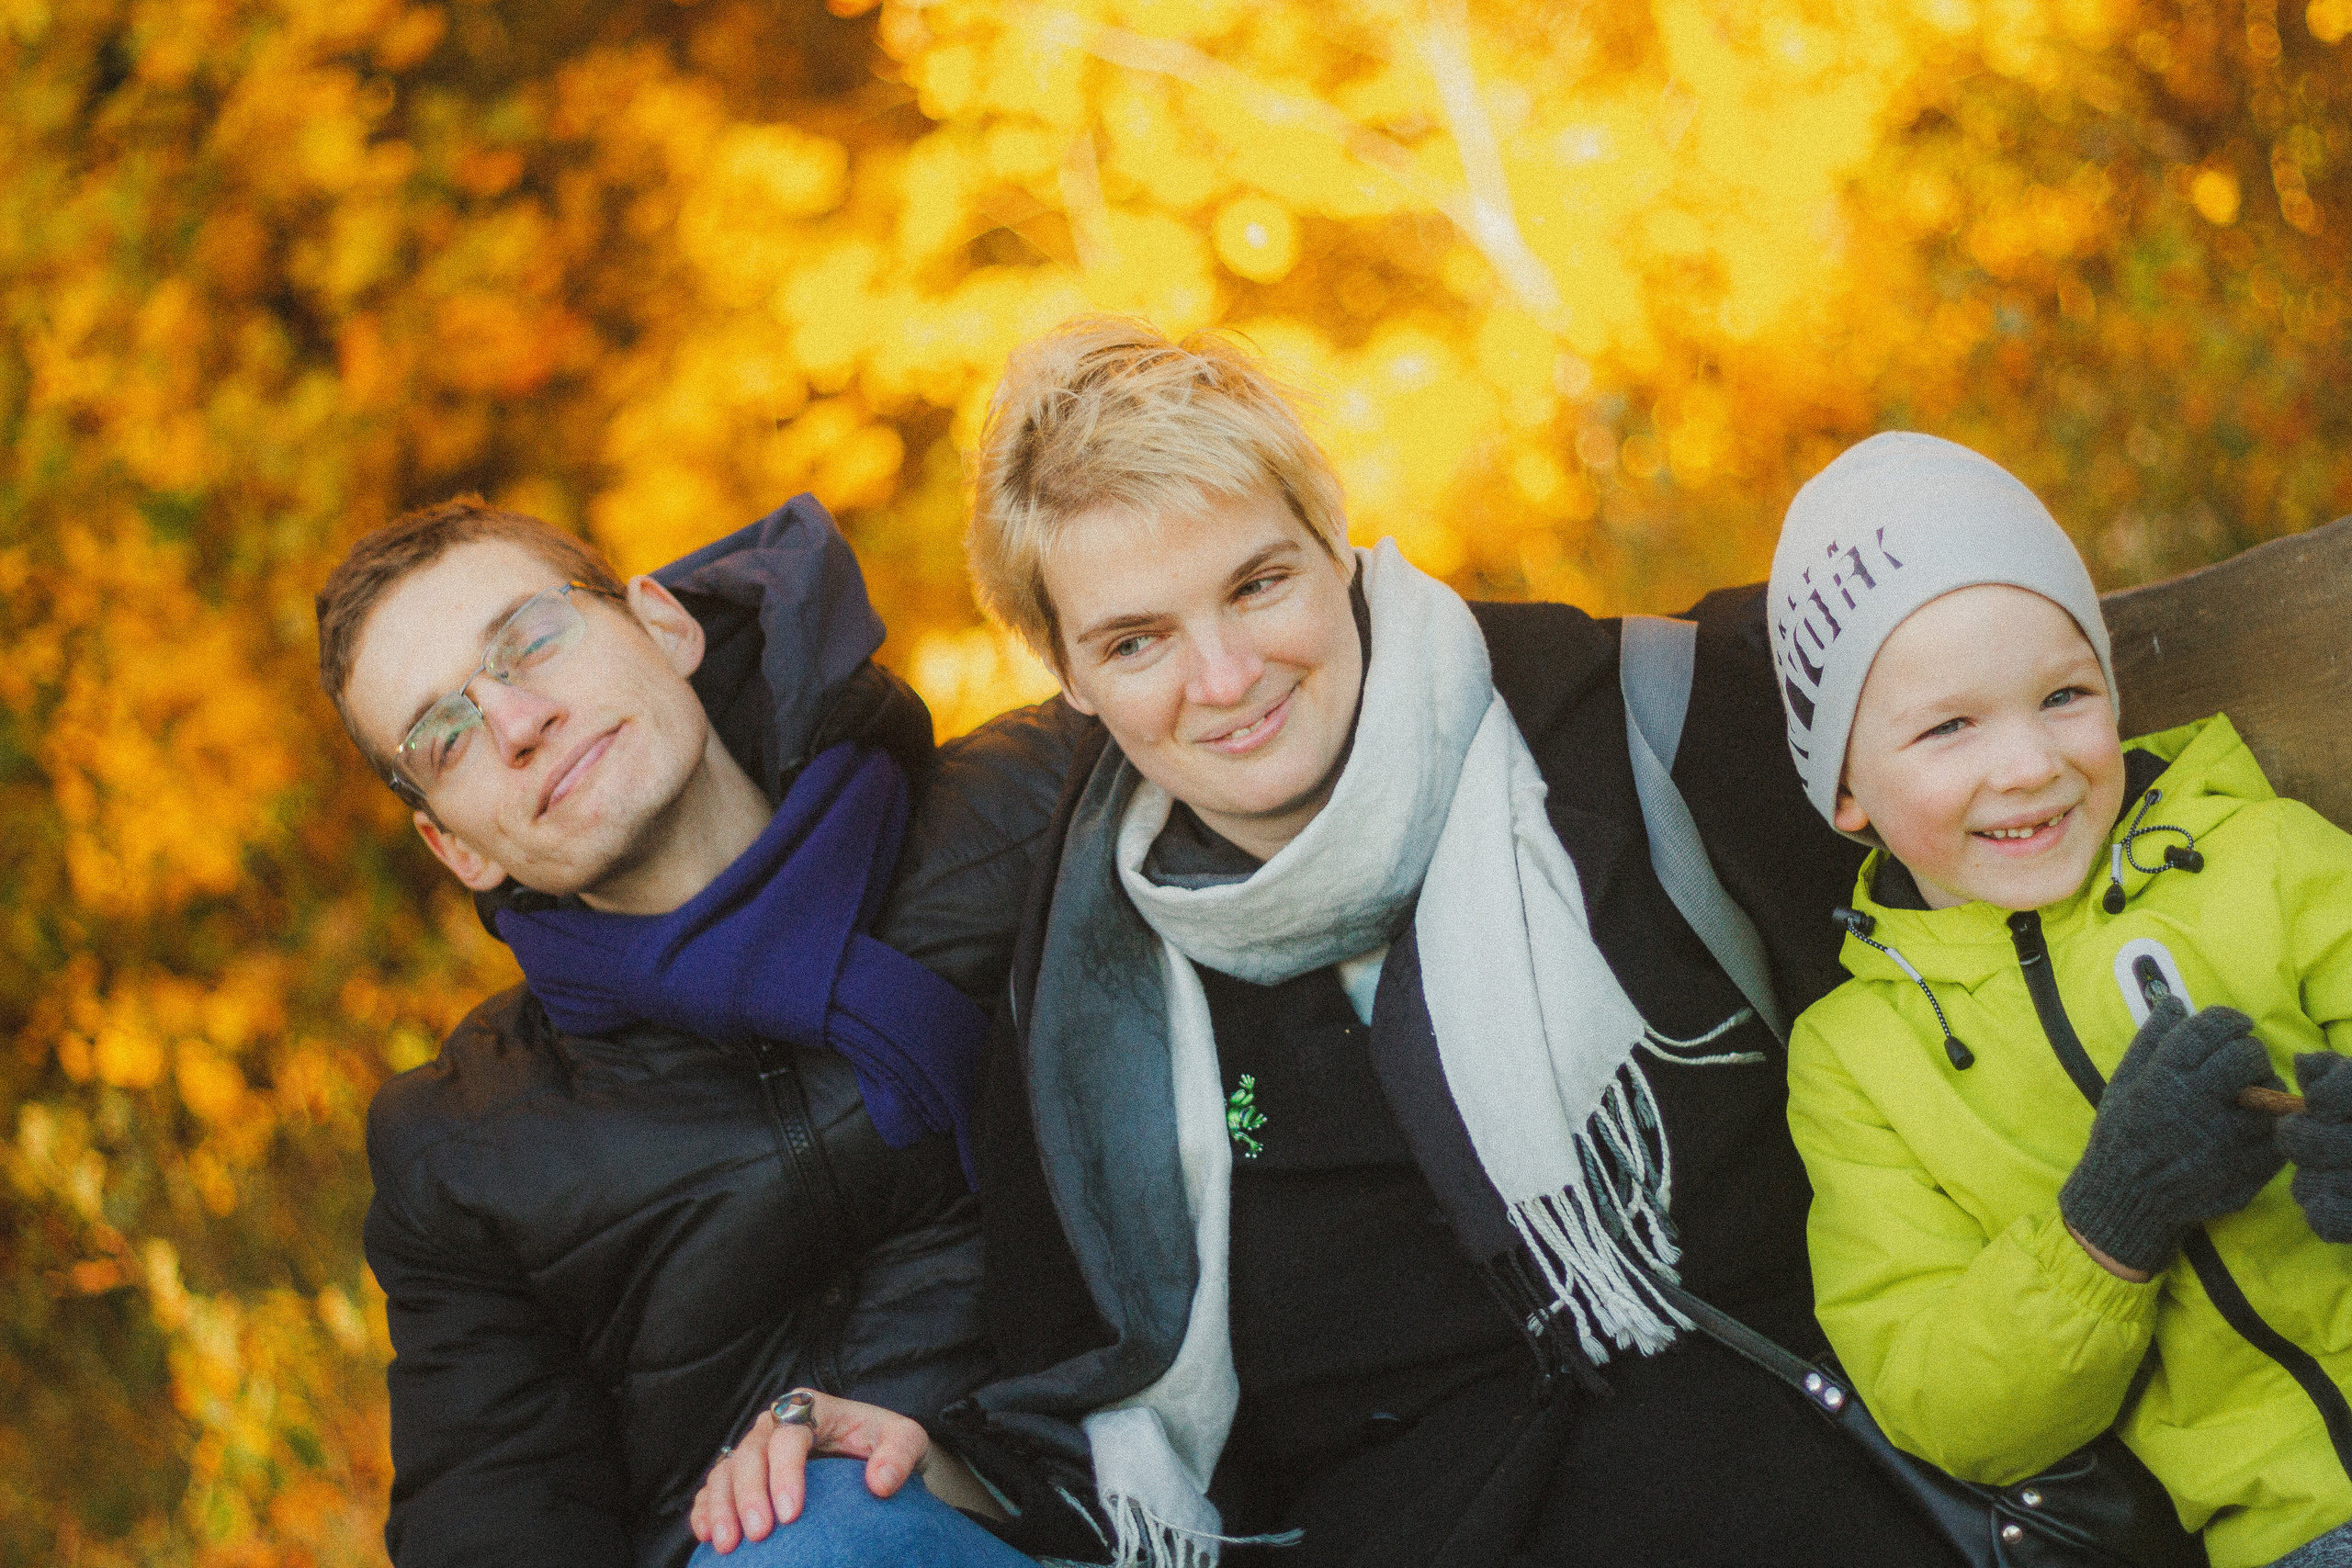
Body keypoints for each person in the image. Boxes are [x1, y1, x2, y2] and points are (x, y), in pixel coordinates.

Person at [826, 316, 1959, 1568]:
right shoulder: (1086, 997)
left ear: (1338, 548)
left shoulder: (1645, 737)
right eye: (1135, 640)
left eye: (1260, 585)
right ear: (1069, 678)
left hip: (1801, 1503)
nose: (1225, 675)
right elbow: (1081, 1394)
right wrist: (919, 1461)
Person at [317, 494, 1076, 1568]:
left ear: (665, 625)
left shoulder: (1037, 814)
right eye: (444, 734)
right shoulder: (463, 1151)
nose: (516, 722)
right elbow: (495, 1520)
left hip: (1130, 1498)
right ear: (457, 850)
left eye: (532, 638)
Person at [1770, 433, 2352, 1568]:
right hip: (2295, 1534)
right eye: (1950, 726)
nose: (2030, 763)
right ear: (1844, 787)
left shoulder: (2266, 860)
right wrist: (2107, 1226)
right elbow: (1947, 1407)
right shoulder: (1857, 1061)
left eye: (2063, 695)